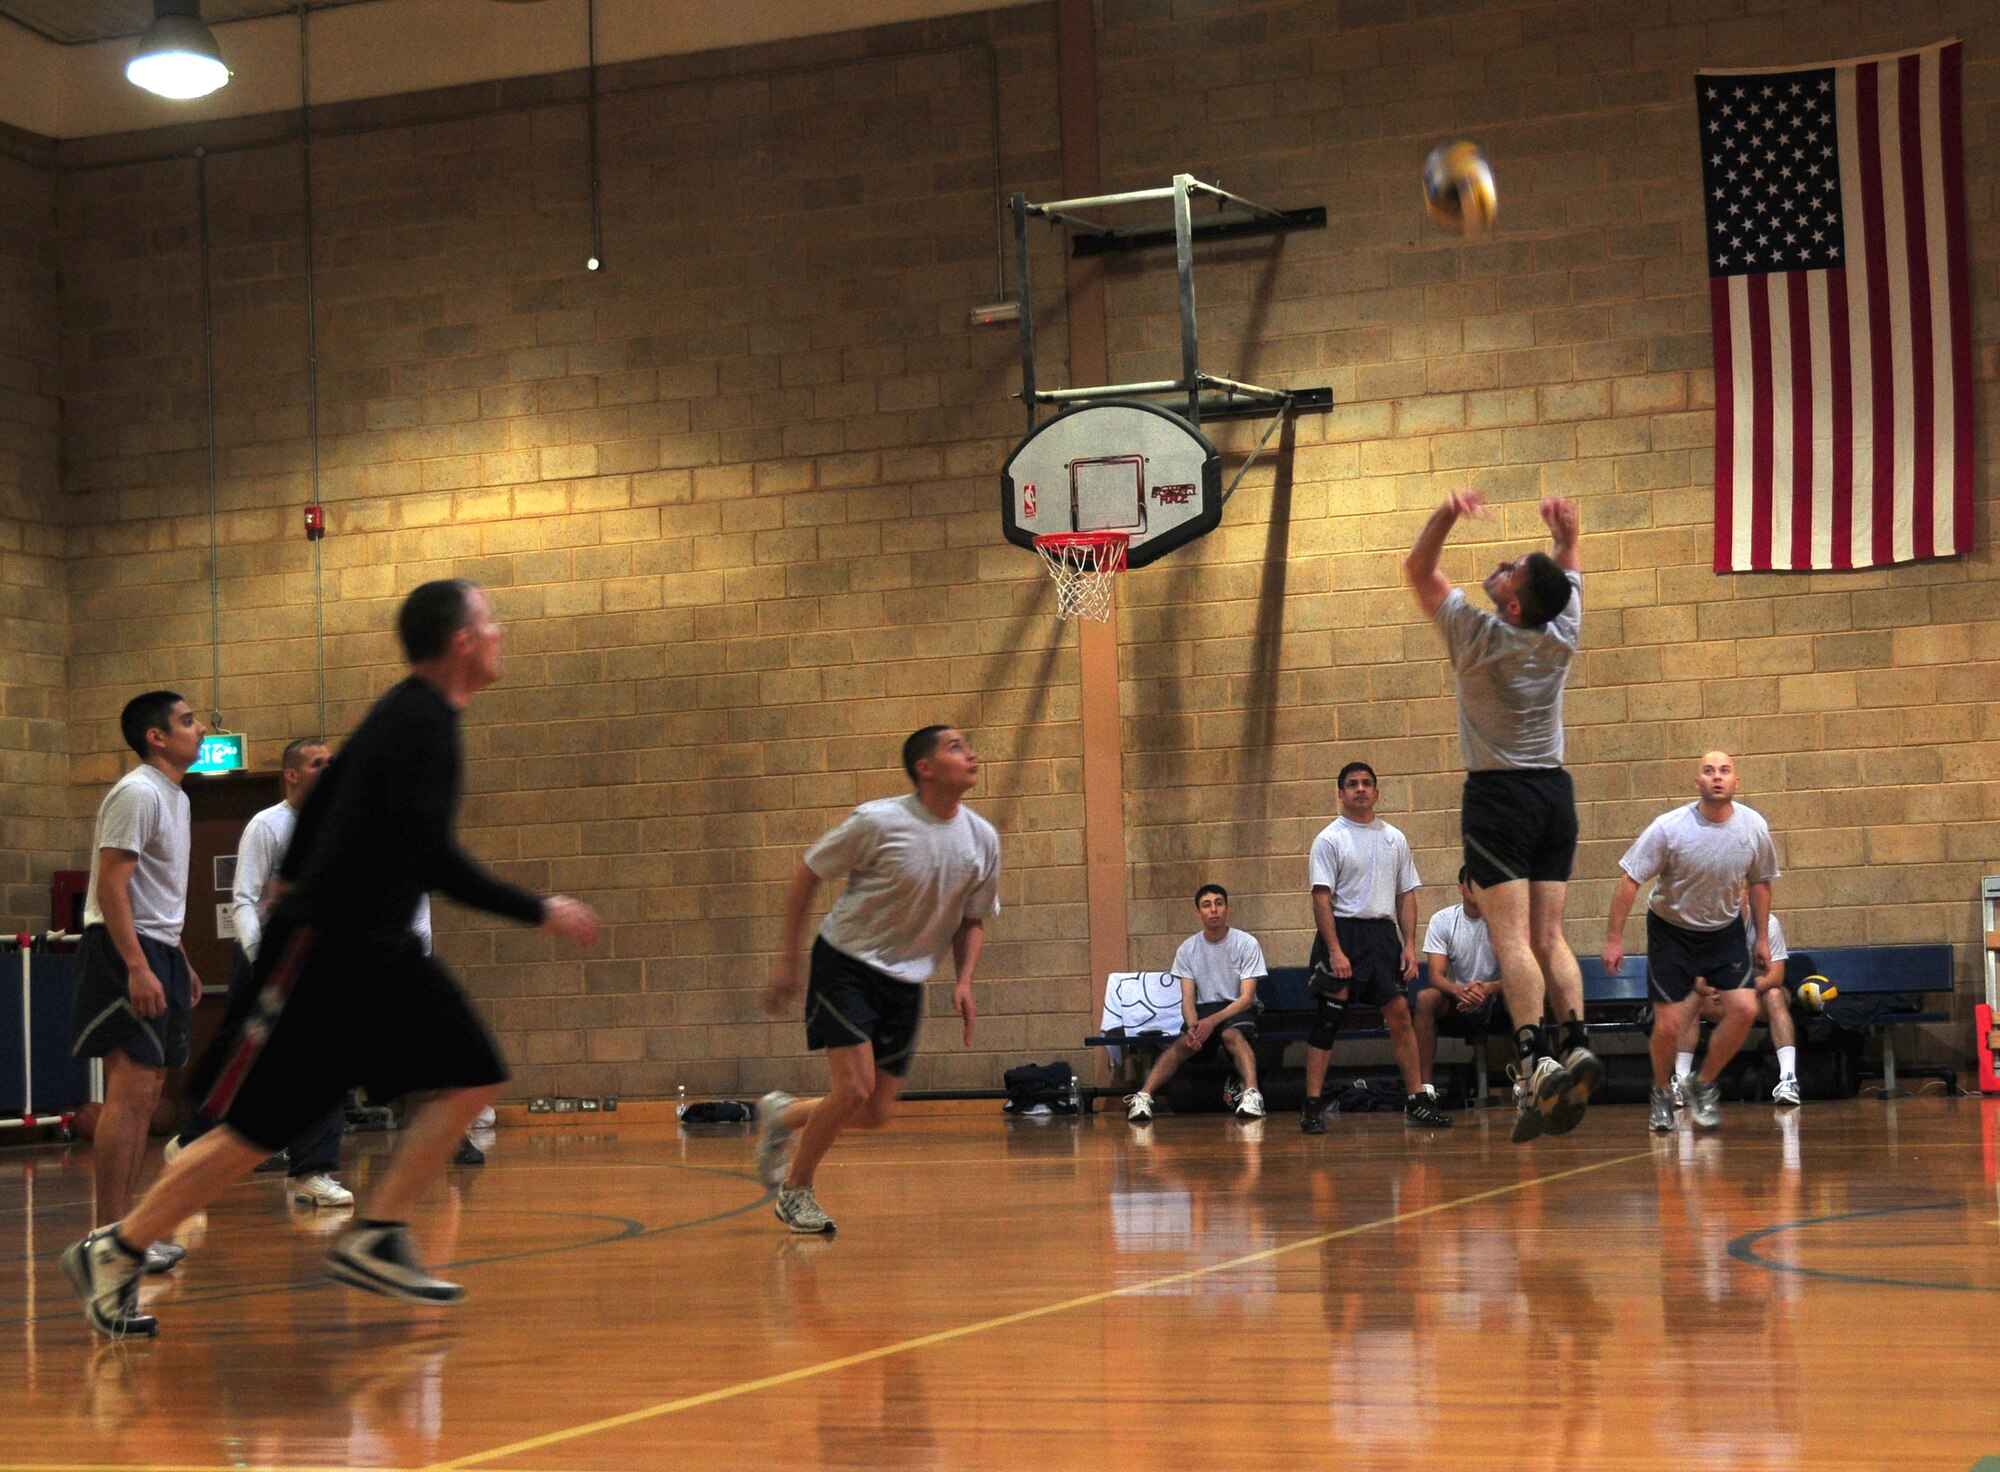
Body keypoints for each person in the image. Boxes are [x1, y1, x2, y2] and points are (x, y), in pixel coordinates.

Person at [60, 580, 599, 1339]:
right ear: (461, 642)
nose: (501, 632)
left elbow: (325, 804)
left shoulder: (407, 716)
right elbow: (432, 857)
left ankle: (127, 1248)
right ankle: (349, 1234)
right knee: (327, 1109)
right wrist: (539, 909)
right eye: (490, 622)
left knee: (295, 1120)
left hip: (356, 947)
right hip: (339, 951)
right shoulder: (418, 722)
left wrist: (292, 883)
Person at [1404, 491, 1600, 1144]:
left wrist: (1446, 513)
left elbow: (1418, 569)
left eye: (1511, 570)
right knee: (1550, 936)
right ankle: (1576, 1042)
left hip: (1498, 797)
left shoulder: (1475, 634)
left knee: (1512, 939)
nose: (1502, 565)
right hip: (1555, 795)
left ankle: (1535, 1058)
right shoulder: (1562, 628)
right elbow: (1567, 571)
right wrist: (1566, 537)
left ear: (1513, 607)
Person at [757, 726, 1001, 1234]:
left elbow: (973, 918)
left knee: (873, 1113)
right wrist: (789, 959)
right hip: (845, 962)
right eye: (956, 747)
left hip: (906, 980)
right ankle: (796, 1191)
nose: (971, 754)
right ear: (925, 768)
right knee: (853, 1088)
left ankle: (783, 1115)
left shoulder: (982, 838)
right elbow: (808, 872)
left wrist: (964, 981)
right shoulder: (878, 821)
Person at [164, 738, 355, 1209]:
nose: (329, 769)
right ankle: (191, 1141)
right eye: (318, 763)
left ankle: (312, 1172)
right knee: (243, 1064)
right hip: (266, 960)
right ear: (292, 775)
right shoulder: (267, 825)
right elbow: (244, 900)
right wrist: (260, 957)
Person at [67, 691, 206, 1276]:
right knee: (131, 1092)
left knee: (148, 1095)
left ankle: (127, 1235)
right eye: (188, 721)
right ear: (157, 736)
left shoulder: (176, 797)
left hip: (157, 948)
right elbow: (111, 884)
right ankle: (108, 1238)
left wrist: (179, 958)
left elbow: (156, 895)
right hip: (124, 950)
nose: (200, 729)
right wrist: (137, 964)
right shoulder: (137, 792)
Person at [1601, 751, 1780, 1133]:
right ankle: (1661, 1091)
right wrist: (1614, 939)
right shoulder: (1669, 828)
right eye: (1709, 771)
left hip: (1724, 931)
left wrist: (1762, 938)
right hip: (1672, 932)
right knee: (1669, 1026)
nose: (1717, 777)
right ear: (1697, 782)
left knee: (1745, 1009)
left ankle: (1701, 1084)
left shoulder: (1753, 827)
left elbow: (1760, 882)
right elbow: (1630, 880)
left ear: (1736, 782)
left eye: (1725, 771)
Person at [1300, 762, 1448, 1132]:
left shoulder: (1394, 838)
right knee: (1328, 1019)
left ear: (1377, 793)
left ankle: (1416, 1100)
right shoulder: (1329, 839)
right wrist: (1335, 949)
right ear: (1341, 794)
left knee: (1400, 1016)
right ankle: (1312, 1105)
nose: (1361, 789)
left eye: (1367, 783)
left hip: (1382, 937)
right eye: (1352, 784)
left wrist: (1409, 944)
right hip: (1343, 932)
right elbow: (1321, 898)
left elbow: (1406, 894)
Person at [1124, 884, 1268, 1124]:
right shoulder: (1187, 949)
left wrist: (1211, 1022)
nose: (1214, 910)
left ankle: (1252, 1094)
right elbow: (1188, 999)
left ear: (1227, 908)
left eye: (1219, 903)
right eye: (1207, 905)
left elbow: (1246, 999)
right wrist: (1193, 1027)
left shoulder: (1246, 943)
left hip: (1236, 1007)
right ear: (1199, 912)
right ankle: (1143, 1097)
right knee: (1183, 1043)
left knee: (1231, 1034)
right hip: (1204, 1010)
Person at [1673, 895, 1800, 1107]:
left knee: (1775, 995)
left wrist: (1740, 987)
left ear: (1746, 896)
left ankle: (1788, 1080)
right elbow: (1696, 978)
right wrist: (1708, 987)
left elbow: (1775, 977)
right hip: (1725, 1000)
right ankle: (1681, 1081)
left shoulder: (1767, 924)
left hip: (1759, 997)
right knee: (1690, 996)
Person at [1413, 867, 1513, 1107]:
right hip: (1458, 1003)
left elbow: (1517, 975)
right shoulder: (1443, 920)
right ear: (1460, 888)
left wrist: (1487, 989)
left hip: (1495, 1002)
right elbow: (1436, 977)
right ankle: (1425, 1088)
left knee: (1521, 994)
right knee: (1426, 998)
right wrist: (1460, 991)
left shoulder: (1505, 920)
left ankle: (1526, 1082)